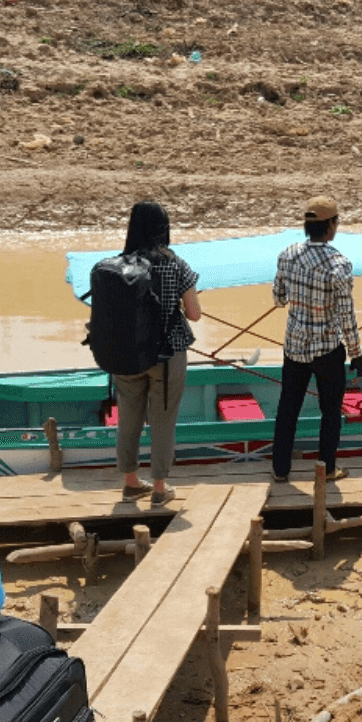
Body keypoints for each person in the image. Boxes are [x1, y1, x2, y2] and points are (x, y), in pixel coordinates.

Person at [113, 201, 200, 506]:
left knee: (128, 419)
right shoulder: (176, 265)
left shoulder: (116, 266)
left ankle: (131, 484)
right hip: (167, 354)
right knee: (163, 421)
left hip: (126, 356)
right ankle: (160, 489)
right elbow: (194, 314)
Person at [271, 196, 362, 483]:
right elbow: (346, 315)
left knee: (288, 410)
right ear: (331, 226)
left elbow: (279, 299)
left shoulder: (287, 255)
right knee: (330, 412)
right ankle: (327, 469)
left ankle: (280, 471)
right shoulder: (339, 265)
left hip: (294, 347)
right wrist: (356, 352)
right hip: (327, 350)